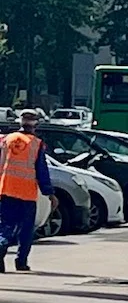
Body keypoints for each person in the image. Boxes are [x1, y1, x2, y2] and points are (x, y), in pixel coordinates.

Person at [0, 110, 57, 273]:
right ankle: (21, 262)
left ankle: (0, 251)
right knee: (26, 229)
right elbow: (42, 171)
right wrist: (50, 194)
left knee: (5, 226)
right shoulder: (36, 144)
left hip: (6, 190)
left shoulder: (6, 140)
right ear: (35, 124)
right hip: (26, 194)